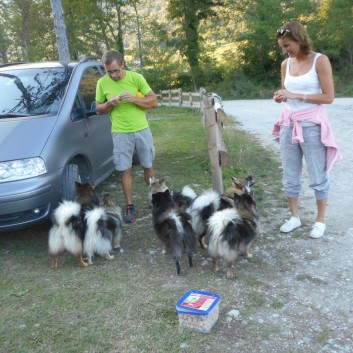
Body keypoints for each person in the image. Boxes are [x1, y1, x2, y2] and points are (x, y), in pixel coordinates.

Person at [272, 21, 342, 239]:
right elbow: (286, 91)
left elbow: (328, 97)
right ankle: (294, 217)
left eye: (287, 45)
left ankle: (320, 221)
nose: (285, 50)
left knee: (317, 174)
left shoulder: (320, 61)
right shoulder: (286, 64)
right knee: (290, 175)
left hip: (312, 125)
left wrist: (296, 95)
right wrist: (280, 95)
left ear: (299, 39)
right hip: (288, 124)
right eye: (282, 47)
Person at [96, 49, 158, 223]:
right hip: (120, 132)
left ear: (122, 64)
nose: (114, 75)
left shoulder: (136, 78)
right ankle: (130, 205)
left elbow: (154, 102)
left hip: (141, 129)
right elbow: (99, 109)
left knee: (148, 166)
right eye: (110, 72)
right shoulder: (102, 83)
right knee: (125, 170)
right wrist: (110, 103)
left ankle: (156, 199)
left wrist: (133, 98)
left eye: (116, 70)